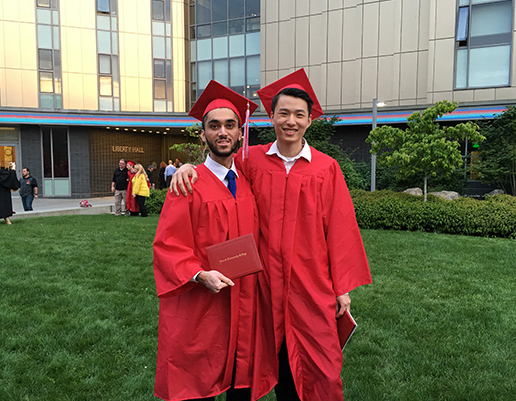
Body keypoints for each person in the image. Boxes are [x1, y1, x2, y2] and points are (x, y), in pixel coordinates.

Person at [171, 69, 372, 401]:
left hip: (311, 285)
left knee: (316, 367)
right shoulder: (254, 162)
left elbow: (340, 228)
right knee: (263, 359)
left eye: (298, 115)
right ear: (272, 117)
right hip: (262, 287)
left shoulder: (326, 169)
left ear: (309, 121)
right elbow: (220, 174)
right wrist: (188, 167)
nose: (290, 121)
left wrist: (342, 288)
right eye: (283, 113)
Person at [152, 80, 276, 401]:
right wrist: (199, 274)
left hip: (245, 296)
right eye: (214, 125)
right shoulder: (188, 183)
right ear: (204, 133)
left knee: (241, 376)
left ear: (240, 132)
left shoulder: (249, 178)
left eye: (230, 125)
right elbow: (168, 245)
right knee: (199, 378)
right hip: (204, 300)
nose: (223, 132)